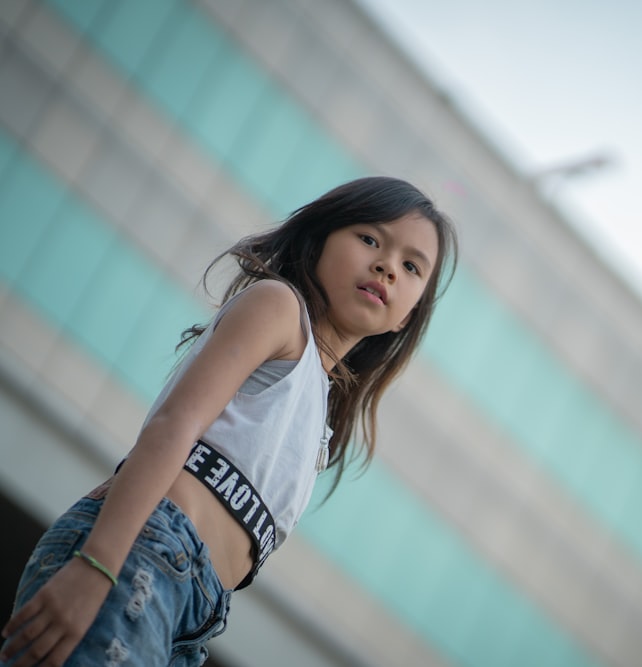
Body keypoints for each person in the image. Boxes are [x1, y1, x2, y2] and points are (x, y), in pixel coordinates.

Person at [0, 176, 458, 666]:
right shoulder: (280, 308)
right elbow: (175, 423)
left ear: (407, 317)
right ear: (320, 238)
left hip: (195, 614)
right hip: (139, 556)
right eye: (370, 239)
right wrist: (98, 563)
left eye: (411, 267)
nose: (387, 266)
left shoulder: (318, 412)